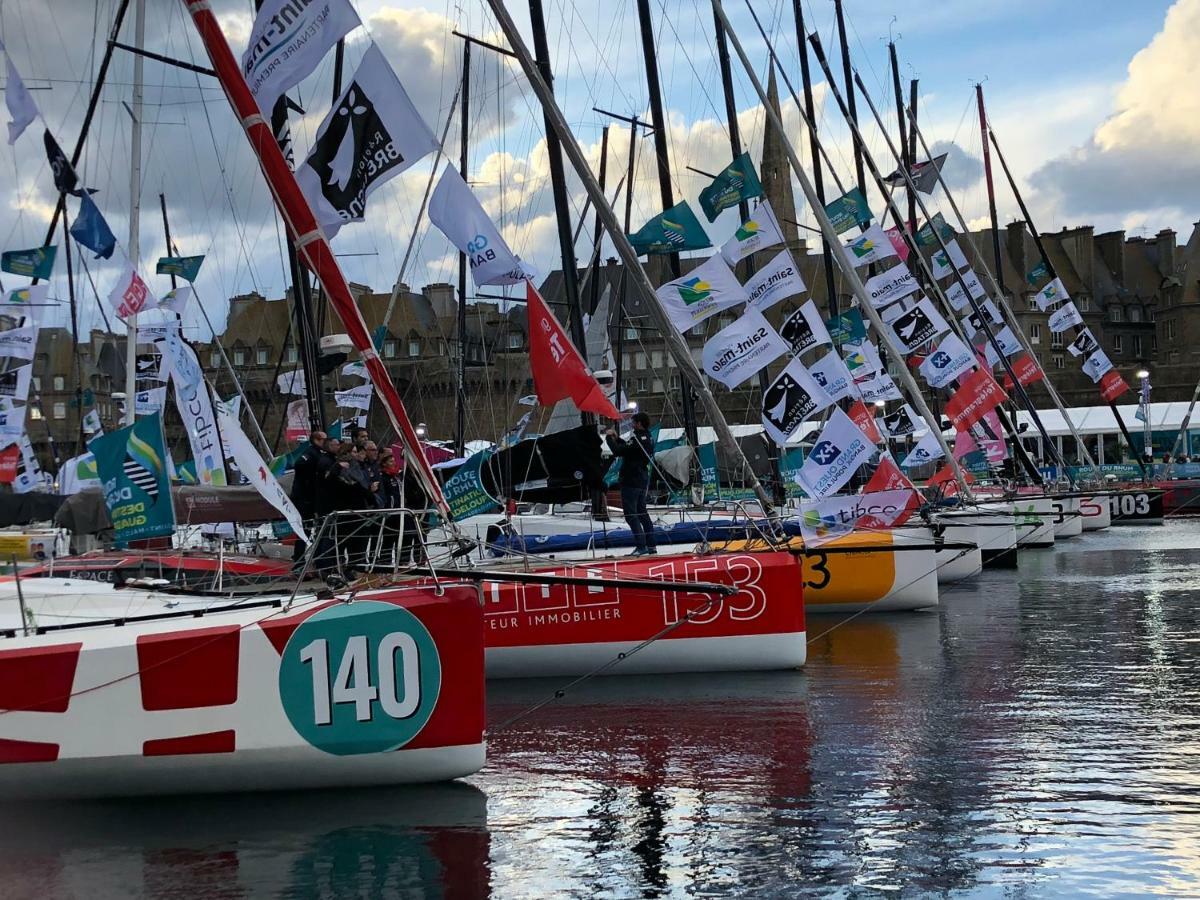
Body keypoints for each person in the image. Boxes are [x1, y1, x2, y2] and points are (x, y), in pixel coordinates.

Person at [605, 412, 657, 556]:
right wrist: (618, 438)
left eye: (634, 422)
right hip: (641, 479)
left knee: (631, 514)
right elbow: (629, 449)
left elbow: (617, 452)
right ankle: (651, 545)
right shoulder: (647, 437)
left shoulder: (638, 438)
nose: (632, 425)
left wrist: (609, 437)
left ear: (639, 423)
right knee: (642, 513)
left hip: (631, 480)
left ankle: (641, 547)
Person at [289, 430, 332, 566]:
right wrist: (311, 477)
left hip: (315, 498)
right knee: (305, 530)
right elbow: (299, 464)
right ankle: (299, 561)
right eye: (324, 440)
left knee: (318, 529)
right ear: (317, 440)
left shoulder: (322, 455)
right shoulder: (310, 453)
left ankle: (317, 559)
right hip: (305, 499)